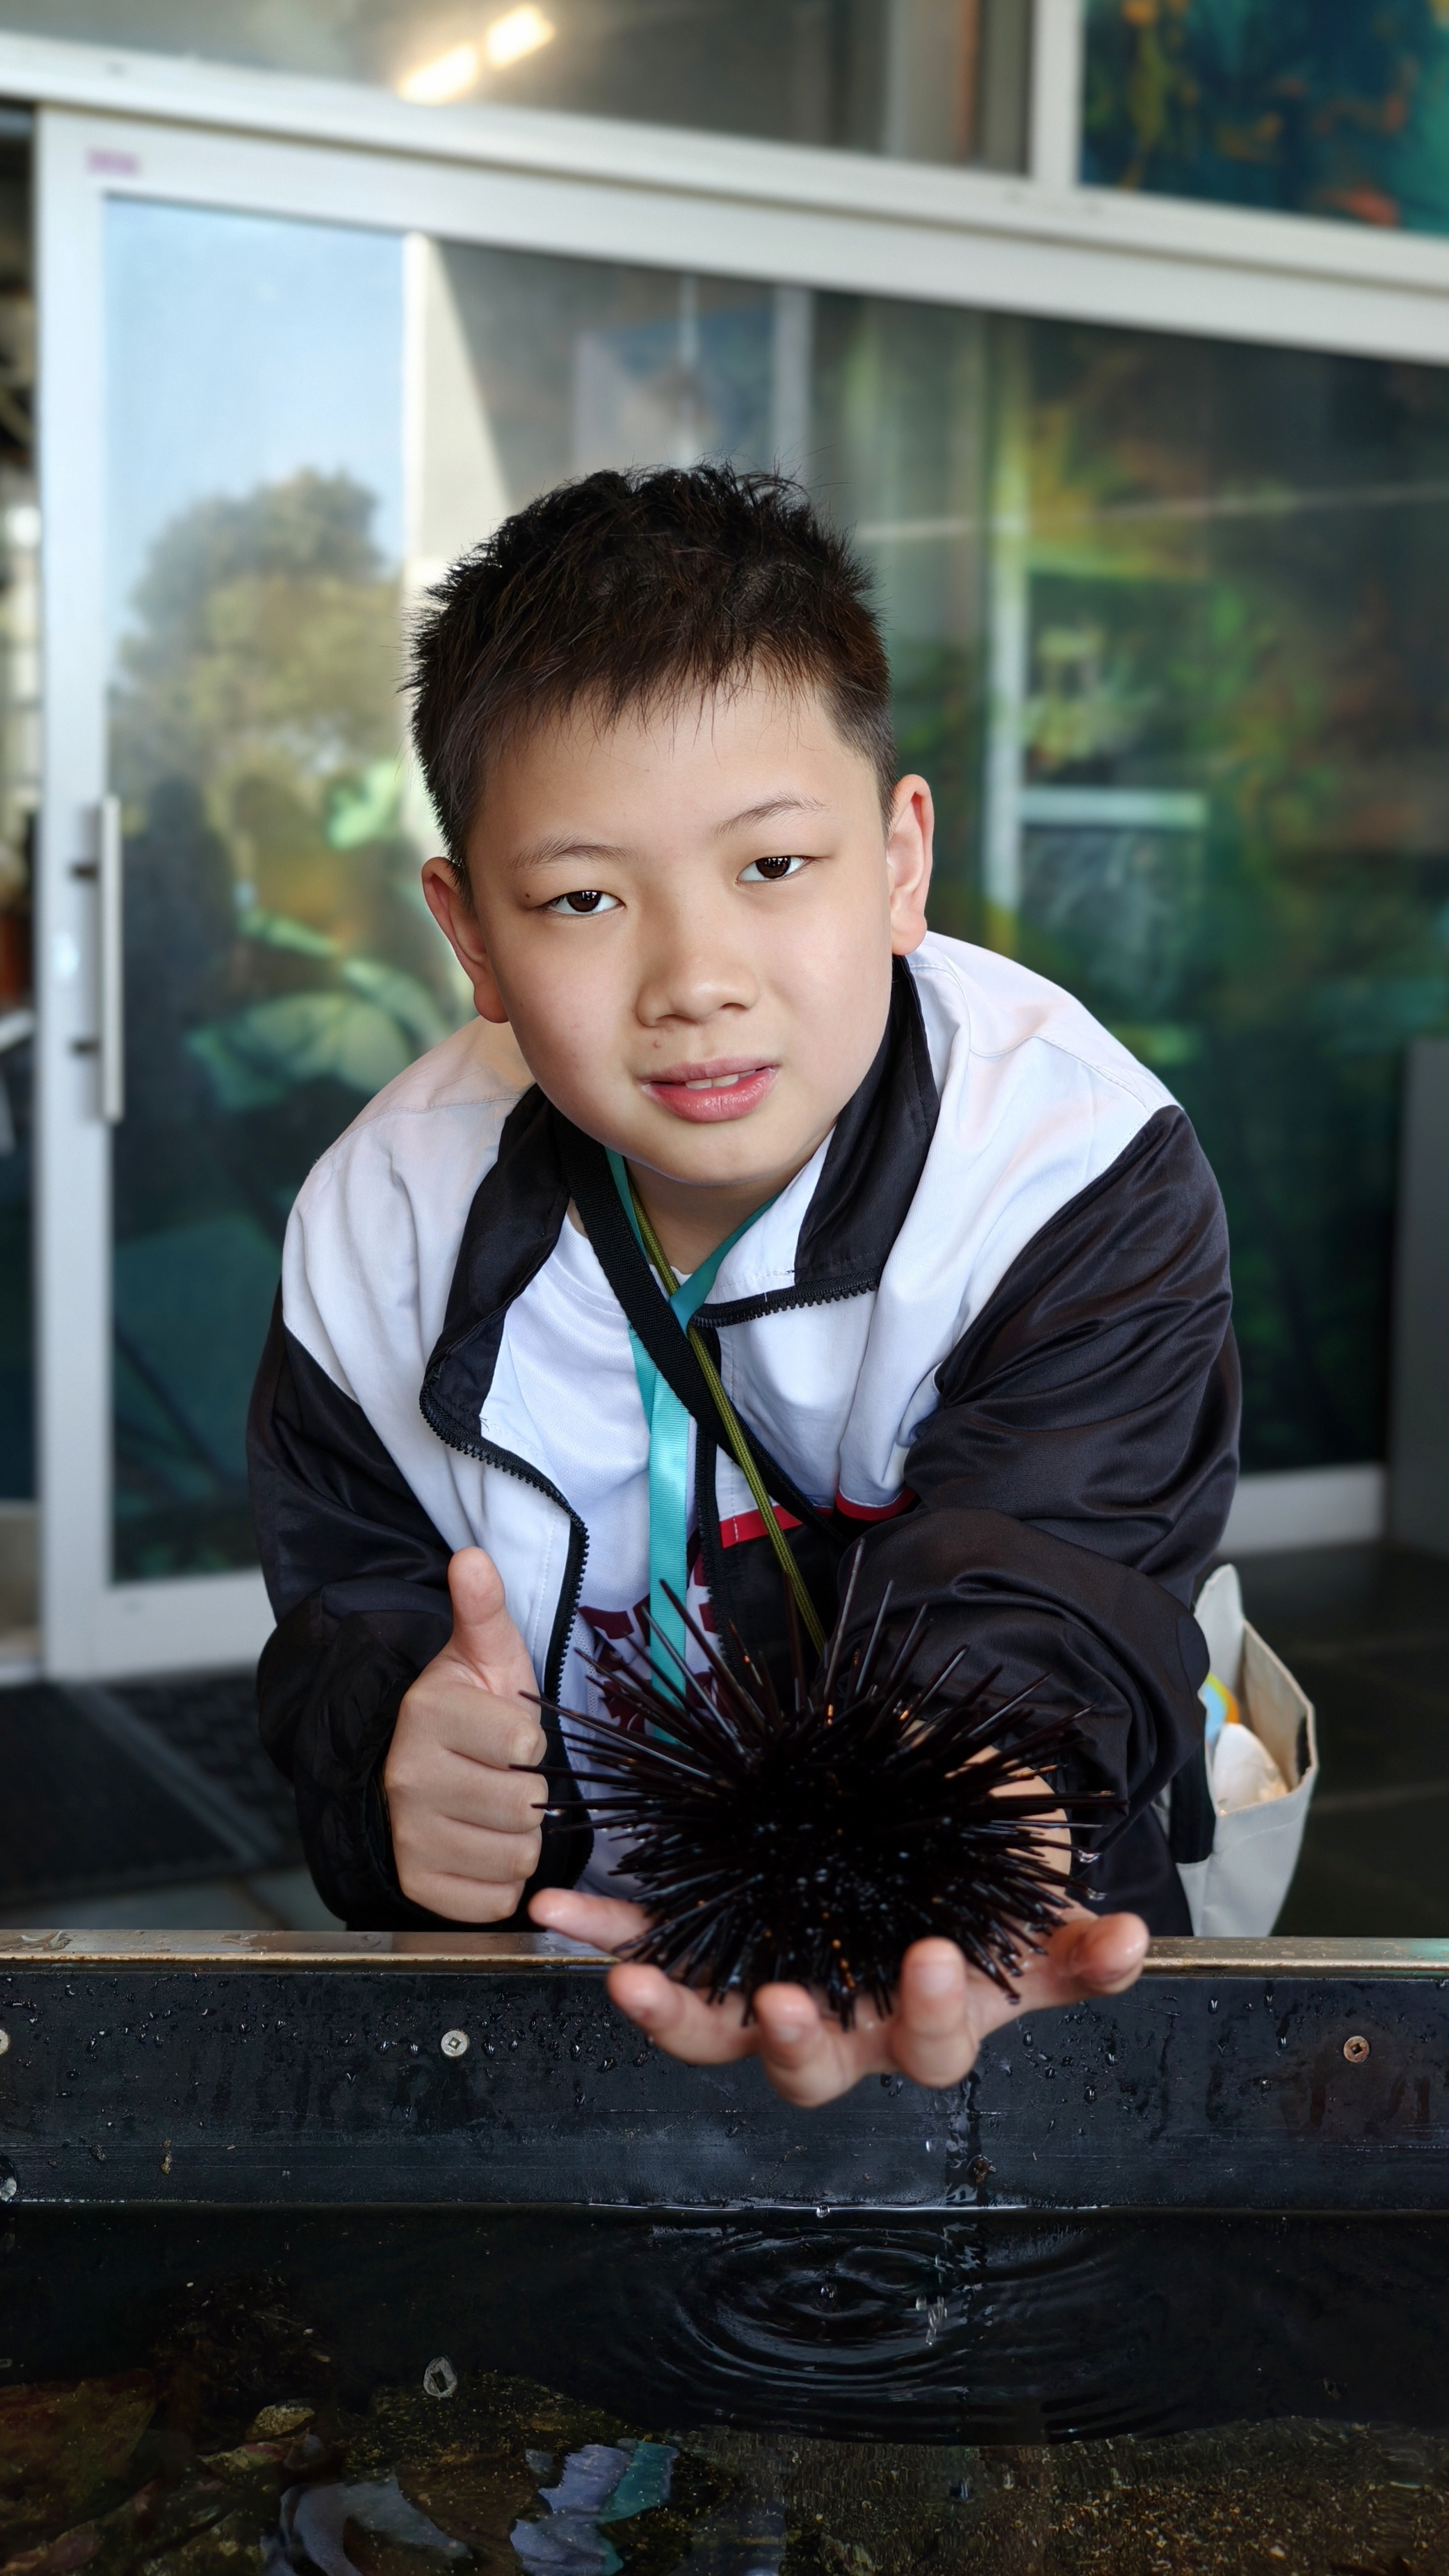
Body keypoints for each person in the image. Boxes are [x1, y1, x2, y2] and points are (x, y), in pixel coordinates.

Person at [248, 465, 1238, 2107]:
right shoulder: (380, 1225)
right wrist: (391, 1771)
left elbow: (1051, 1582)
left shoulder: (1072, 1168)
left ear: (900, 859)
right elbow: (355, 1608)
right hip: (561, 2003)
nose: (695, 980)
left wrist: (944, 1848)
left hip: (989, 1989)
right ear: (470, 935)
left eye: (773, 866)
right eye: (582, 899)